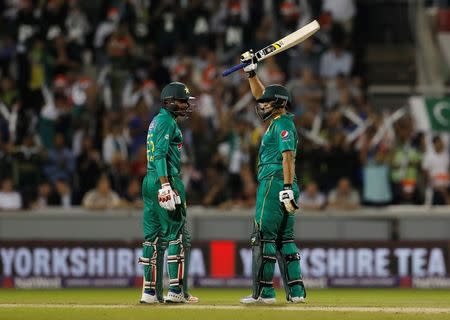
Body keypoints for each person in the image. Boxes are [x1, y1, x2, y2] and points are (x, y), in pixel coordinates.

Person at [238, 50, 306, 304]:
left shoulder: (282, 124)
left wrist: (286, 186)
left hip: (275, 183)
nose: (261, 104)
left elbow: (288, 157)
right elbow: (260, 94)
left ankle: (264, 292)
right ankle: (296, 293)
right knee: (284, 240)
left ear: (278, 103)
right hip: (284, 185)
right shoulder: (280, 121)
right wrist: (251, 73)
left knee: (262, 237)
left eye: (267, 102)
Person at [138, 82, 198, 304]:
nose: (185, 106)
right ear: (169, 102)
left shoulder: (157, 120)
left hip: (149, 180)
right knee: (176, 236)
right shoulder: (166, 122)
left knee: (151, 238)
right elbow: (160, 155)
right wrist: (166, 185)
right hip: (166, 179)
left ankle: (150, 292)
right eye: (182, 101)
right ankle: (175, 291)